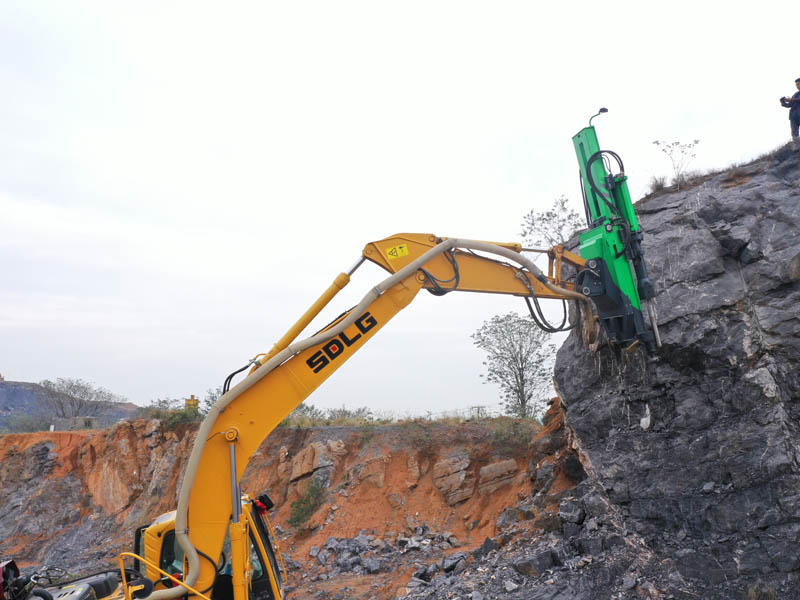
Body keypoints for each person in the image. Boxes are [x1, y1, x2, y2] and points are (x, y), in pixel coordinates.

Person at [780, 78, 800, 148]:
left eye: (798, 84)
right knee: (794, 132)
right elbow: (789, 105)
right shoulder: (795, 94)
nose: (797, 86)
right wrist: (783, 101)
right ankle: (797, 147)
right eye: (796, 85)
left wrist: (791, 99)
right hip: (793, 116)